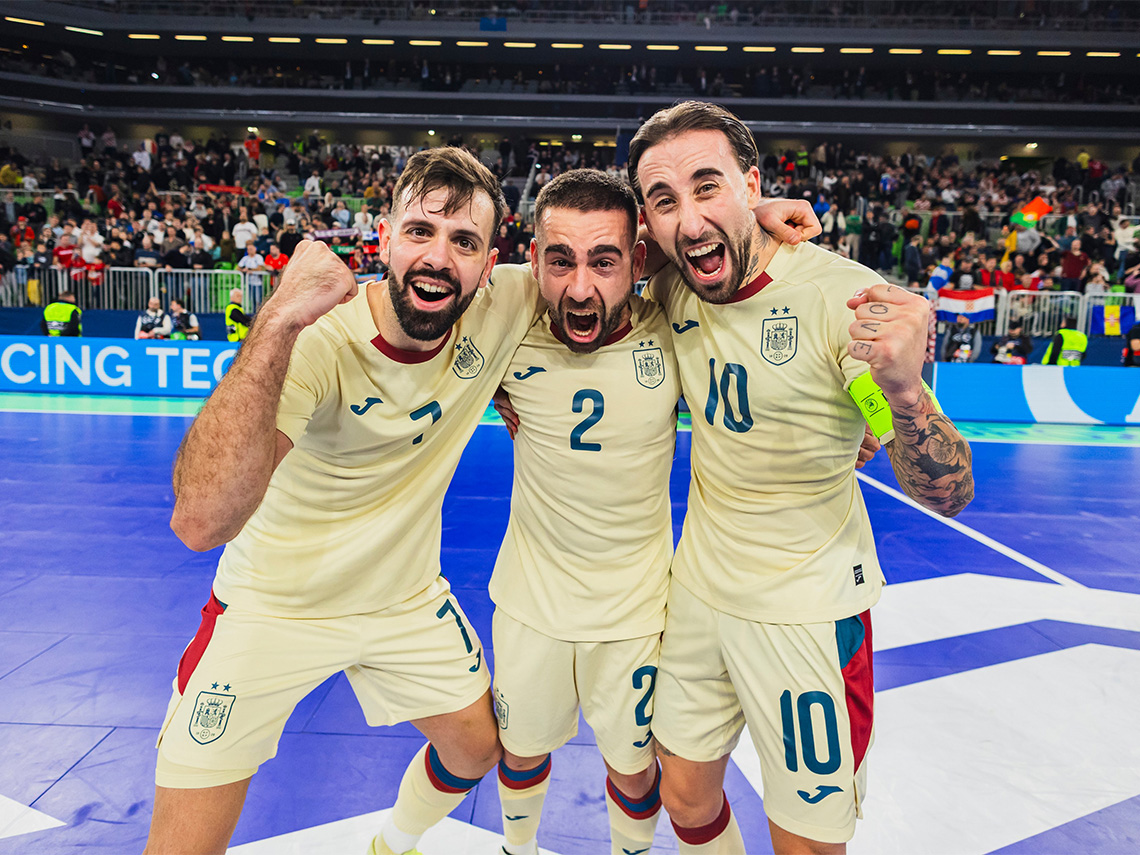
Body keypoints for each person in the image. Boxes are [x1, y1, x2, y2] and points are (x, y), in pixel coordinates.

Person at [143, 147, 546, 855]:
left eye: (464, 242)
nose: (438, 257)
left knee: (478, 747)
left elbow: (629, 253)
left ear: (491, 266)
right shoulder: (320, 339)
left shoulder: (507, 304)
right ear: (383, 238)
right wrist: (278, 319)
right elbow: (199, 521)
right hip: (273, 605)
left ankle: (393, 841)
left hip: (403, 599)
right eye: (419, 231)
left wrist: (743, 214)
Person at [628, 101, 974, 854]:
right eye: (665, 200)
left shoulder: (839, 300)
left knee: (809, 842)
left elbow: (947, 492)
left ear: (751, 183)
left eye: (708, 186)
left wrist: (902, 396)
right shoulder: (677, 283)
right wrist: (729, 216)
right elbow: (598, 248)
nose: (689, 218)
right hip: (698, 592)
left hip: (808, 610)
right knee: (682, 794)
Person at [489, 170, 678, 855]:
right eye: (560, 260)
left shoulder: (679, 332)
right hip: (529, 603)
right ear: (533, 260)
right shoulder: (502, 329)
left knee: (633, 769)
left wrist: (869, 415)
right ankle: (516, 849)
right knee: (519, 752)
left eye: (603, 261)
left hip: (636, 614)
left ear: (638, 260)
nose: (578, 287)